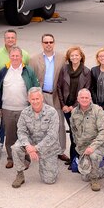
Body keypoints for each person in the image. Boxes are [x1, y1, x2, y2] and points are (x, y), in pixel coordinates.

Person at [0, 47, 39, 168]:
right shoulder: (4, 71)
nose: (15, 58)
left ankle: (25, 159)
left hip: (24, 109)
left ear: (21, 57)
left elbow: (35, 87)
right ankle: (11, 158)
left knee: (25, 135)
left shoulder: (28, 71)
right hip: (7, 108)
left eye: (17, 56)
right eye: (12, 56)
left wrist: (34, 106)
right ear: (9, 57)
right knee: (10, 135)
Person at [10, 87, 61, 188]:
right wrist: (28, 146)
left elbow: (52, 135)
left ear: (42, 98)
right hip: (31, 142)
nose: (35, 101)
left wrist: (36, 148)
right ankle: (20, 174)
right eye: (32, 99)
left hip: (47, 147)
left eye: (37, 98)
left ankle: (47, 164)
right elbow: (21, 131)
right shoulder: (25, 113)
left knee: (49, 180)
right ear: (29, 99)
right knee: (16, 148)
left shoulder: (52, 112)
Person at [30, 33, 68, 162]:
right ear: (42, 44)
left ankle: (60, 150)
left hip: (56, 95)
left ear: (54, 43)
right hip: (41, 95)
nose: (48, 44)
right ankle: (41, 149)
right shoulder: (34, 59)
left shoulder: (62, 58)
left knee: (59, 124)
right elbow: (31, 79)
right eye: (46, 42)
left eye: (50, 42)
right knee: (41, 124)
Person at [57, 46, 92, 163]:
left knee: (77, 133)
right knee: (72, 133)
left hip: (79, 107)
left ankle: (76, 159)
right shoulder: (64, 69)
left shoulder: (86, 71)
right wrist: (63, 105)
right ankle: (73, 158)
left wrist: (74, 107)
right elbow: (59, 87)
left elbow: (87, 90)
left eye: (77, 55)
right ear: (69, 58)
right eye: (72, 55)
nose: (74, 57)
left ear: (81, 56)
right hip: (66, 107)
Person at [69, 89, 104, 191]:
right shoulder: (74, 112)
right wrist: (79, 146)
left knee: (93, 155)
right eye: (82, 97)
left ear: (90, 98)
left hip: (98, 144)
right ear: (78, 99)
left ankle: (95, 179)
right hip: (83, 146)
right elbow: (73, 131)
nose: (84, 99)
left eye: (86, 97)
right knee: (84, 177)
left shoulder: (98, 111)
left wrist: (92, 147)